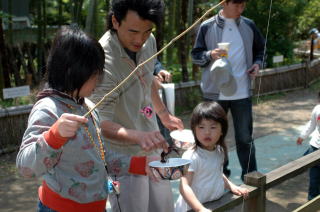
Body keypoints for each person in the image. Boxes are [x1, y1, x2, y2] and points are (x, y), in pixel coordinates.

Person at [16, 26, 152, 212]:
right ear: (75, 71)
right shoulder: (48, 109)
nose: (100, 80)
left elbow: (100, 157)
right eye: (96, 74)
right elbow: (25, 167)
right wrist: (54, 136)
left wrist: (142, 165)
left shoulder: (86, 106)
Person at [89, 0, 184, 211]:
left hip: (151, 142)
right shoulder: (103, 60)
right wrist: (137, 136)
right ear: (115, 21)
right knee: (133, 206)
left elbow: (147, 78)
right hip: (121, 155)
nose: (140, 39)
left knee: (163, 205)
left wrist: (164, 115)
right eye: (133, 31)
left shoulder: (148, 40)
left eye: (147, 31)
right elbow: (98, 122)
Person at [191, 0, 265, 180]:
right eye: (237, 5)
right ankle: (219, 178)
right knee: (214, 138)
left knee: (245, 138)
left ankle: (251, 178)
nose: (241, 9)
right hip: (214, 94)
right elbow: (196, 56)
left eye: (243, 5)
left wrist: (257, 64)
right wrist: (210, 55)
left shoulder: (249, 25)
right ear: (224, 3)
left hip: (242, 92)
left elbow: (261, 50)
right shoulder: (207, 26)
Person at [175, 102, 248, 212]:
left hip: (212, 205)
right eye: (201, 127)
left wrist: (232, 186)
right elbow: (184, 187)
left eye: (213, 127)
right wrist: (199, 209)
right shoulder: (191, 156)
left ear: (222, 130)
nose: (207, 132)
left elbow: (217, 173)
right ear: (194, 129)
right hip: (191, 208)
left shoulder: (219, 150)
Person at [296, 92, 320, 200]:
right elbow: (312, 124)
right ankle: (312, 200)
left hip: (315, 147)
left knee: (315, 177)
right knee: (314, 177)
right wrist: (302, 136)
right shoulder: (317, 109)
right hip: (315, 147)